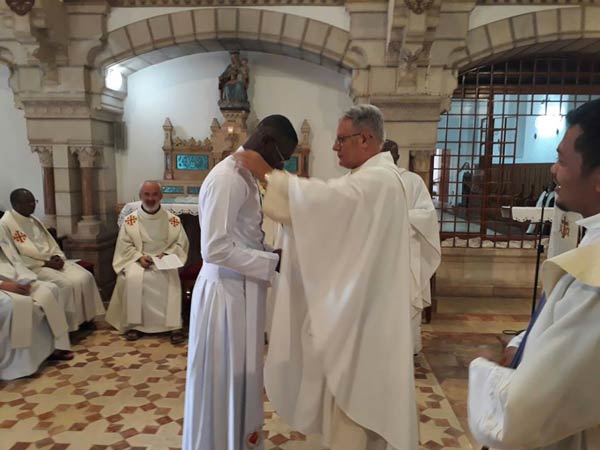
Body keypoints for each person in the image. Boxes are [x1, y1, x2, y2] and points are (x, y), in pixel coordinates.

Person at [235, 105, 418, 450]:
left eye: (341, 139)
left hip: (366, 317)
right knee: (349, 405)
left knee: (357, 407)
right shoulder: (370, 178)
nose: (335, 146)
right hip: (365, 309)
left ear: (366, 138)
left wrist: (270, 176)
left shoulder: (378, 181)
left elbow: (326, 202)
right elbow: (332, 219)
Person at [468, 98, 600, 449]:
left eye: (562, 160)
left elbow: (524, 412)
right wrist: (521, 344)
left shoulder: (595, 281)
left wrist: (482, 369)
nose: (553, 170)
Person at [182, 115, 298, 450]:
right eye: (281, 156)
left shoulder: (244, 176)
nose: (280, 165)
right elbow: (214, 248)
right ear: (265, 140)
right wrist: (271, 262)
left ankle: (238, 441)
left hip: (240, 289)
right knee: (223, 380)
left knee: (241, 377)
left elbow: (242, 236)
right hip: (225, 294)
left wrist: (268, 252)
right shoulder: (227, 178)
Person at [1, 189, 105, 332]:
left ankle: (86, 320)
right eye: (28, 202)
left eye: (34, 201)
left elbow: (49, 242)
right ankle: (68, 327)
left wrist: (58, 256)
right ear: (16, 204)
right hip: (33, 267)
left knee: (85, 277)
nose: (33, 205)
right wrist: (45, 263)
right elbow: (14, 256)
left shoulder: (33, 219)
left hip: (51, 261)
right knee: (64, 284)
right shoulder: (6, 225)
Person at [105, 181, 189, 345]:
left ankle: (173, 326)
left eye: (155, 194)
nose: (151, 199)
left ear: (161, 196)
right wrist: (138, 257)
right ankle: (135, 325)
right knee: (133, 278)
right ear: (140, 196)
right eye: (147, 195)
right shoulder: (131, 220)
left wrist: (167, 253)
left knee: (170, 276)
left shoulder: (172, 220)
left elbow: (180, 244)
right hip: (138, 260)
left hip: (164, 260)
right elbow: (124, 245)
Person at [382, 139, 441, 354]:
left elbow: (427, 215)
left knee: (406, 301)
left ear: (398, 157)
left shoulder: (413, 181)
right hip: (380, 254)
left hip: (406, 253)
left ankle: (407, 349)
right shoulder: (371, 180)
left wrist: (399, 217)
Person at [0, 224, 73, 380]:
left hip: (14, 278)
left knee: (51, 290)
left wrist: (25, 279)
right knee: (16, 304)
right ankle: (19, 364)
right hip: (3, 286)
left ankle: (55, 347)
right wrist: (5, 285)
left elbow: (15, 260)